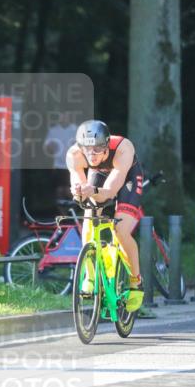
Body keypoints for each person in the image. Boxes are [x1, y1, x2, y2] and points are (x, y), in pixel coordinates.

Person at [66, 119, 144, 311]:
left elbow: (109, 191)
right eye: (87, 150)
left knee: (120, 230)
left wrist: (92, 190)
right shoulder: (75, 154)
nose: (91, 155)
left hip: (127, 178)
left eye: (98, 150)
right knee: (89, 215)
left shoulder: (123, 149)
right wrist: (79, 191)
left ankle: (136, 281)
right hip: (99, 174)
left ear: (107, 146)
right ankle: (90, 275)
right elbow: (79, 186)